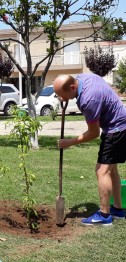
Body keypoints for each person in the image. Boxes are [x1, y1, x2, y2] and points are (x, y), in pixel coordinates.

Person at [53, 73, 126, 226]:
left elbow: (94, 133)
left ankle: (105, 215)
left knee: (102, 171)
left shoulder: (88, 99)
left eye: (62, 95)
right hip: (120, 124)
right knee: (111, 170)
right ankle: (118, 209)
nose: (61, 98)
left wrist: (69, 142)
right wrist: (64, 96)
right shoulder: (83, 78)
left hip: (117, 130)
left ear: (72, 87)